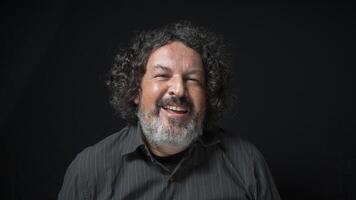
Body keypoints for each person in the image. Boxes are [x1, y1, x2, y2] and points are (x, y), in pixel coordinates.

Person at [58, 21, 281, 200]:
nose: (179, 90)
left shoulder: (245, 162)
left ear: (208, 94)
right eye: (162, 75)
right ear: (135, 90)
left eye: (192, 79)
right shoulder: (89, 170)